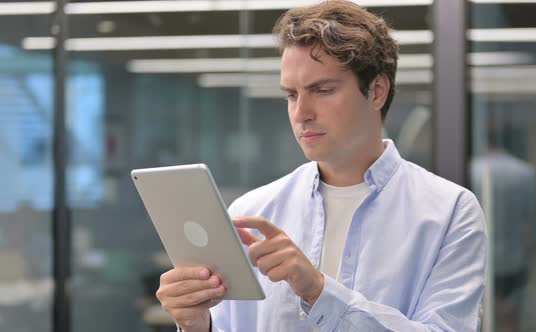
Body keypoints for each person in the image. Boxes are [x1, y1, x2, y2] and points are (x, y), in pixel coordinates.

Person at [156, 1, 487, 331]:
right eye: (291, 95)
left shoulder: (449, 212)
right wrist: (196, 324)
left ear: (377, 91)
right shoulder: (253, 213)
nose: (301, 113)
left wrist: (317, 290)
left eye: (322, 90)